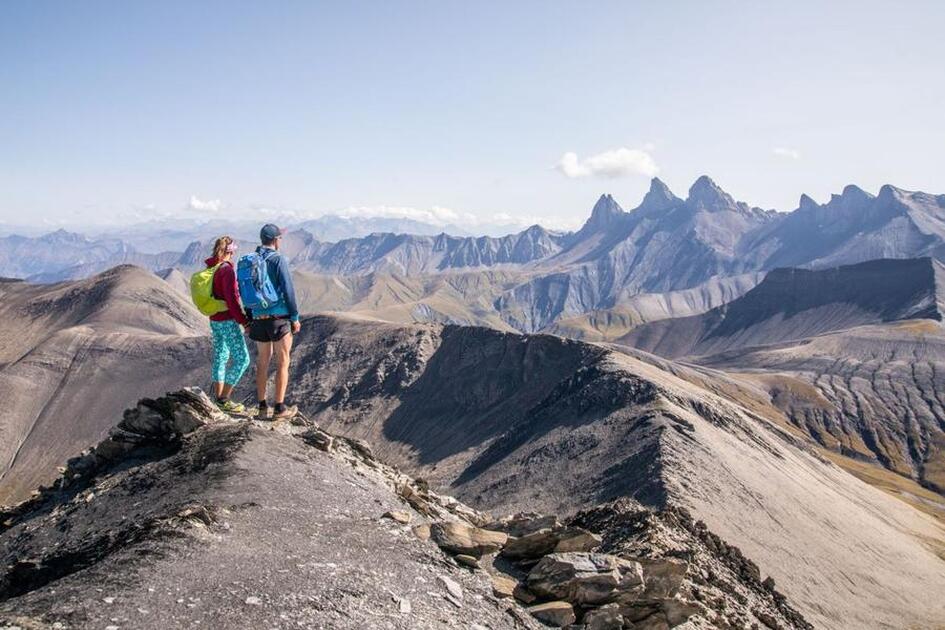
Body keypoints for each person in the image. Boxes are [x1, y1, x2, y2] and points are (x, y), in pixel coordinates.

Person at [247, 224, 300, 419]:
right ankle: (279, 408)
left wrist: (249, 317)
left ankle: (261, 407)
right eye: (280, 238)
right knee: (283, 362)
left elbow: (246, 291)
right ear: (276, 240)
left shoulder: (251, 260)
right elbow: (288, 289)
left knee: (262, 362)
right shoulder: (278, 260)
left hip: (258, 318)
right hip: (278, 320)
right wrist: (294, 317)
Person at [204, 236, 251, 413]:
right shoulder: (227, 271)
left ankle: (218, 399)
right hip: (227, 321)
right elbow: (232, 300)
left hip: (214, 320)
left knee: (221, 357)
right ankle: (224, 399)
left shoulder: (212, 268)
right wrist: (244, 322)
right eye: (233, 252)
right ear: (230, 251)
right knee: (242, 359)